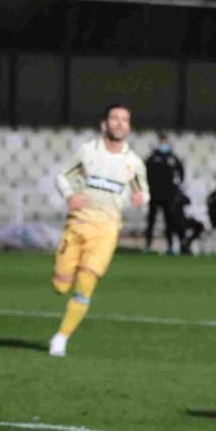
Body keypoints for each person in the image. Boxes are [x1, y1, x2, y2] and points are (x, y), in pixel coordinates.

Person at [48, 103, 149, 357]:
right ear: (104, 124)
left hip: (107, 229)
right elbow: (61, 176)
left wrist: (141, 198)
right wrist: (69, 195)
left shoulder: (133, 162)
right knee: (60, 285)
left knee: (86, 281)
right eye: (114, 118)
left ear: (129, 126)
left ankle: (61, 338)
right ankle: (62, 282)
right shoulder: (86, 151)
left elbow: (143, 191)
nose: (119, 123)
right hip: (78, 223)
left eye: (124, 119)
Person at [144, 133, 184, 254]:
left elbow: (181, 174)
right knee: (151, 221)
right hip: (154, 194)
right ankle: (148, 245)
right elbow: (144, 174)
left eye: (165, 142)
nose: (164, 144)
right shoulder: (152, 157)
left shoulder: (173, 158)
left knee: (169, 222)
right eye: (162, 142)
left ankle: (170, 246)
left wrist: (175, 187)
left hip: (168, 196)